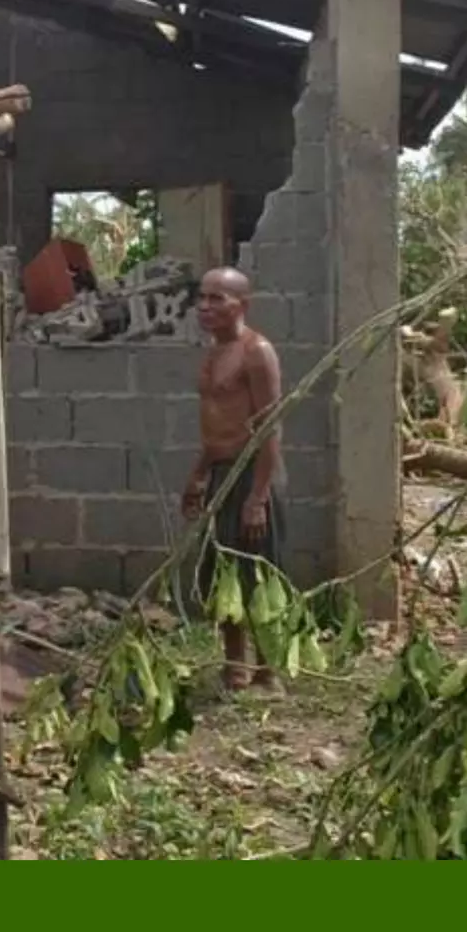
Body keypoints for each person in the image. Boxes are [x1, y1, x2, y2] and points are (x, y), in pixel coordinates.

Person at [180, 266, 286, 693]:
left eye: (216, 299)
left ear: (242, 305)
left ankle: (269, 670)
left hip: (252, 476)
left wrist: (258, 496)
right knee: (221, 575)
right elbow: (216, 426)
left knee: (258, 574)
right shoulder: (212, 354)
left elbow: (269, 427)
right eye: (202, 297)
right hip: (221, 474)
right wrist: (197, 476)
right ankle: (234, 666)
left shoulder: (256, 351)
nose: (205, 306)